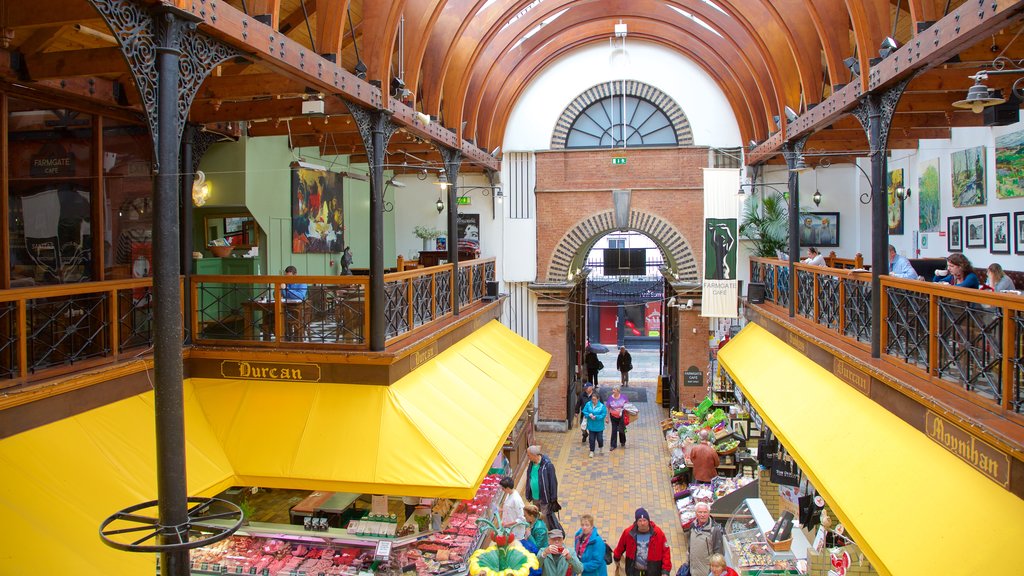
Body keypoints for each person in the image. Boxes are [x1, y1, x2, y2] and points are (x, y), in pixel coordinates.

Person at [613, 508, 672, 576]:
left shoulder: (658, 533)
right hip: (634, 571)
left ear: (648, 521)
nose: (642, 523)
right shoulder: (628, 533)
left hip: (653, 571)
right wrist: (616, 557)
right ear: (636, 522)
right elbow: (620, 546)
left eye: (644, 520)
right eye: (640, 521)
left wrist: (665, 571)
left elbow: (666, 552)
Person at [525, 445, 560, 530]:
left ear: (534, 455)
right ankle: (538, 531)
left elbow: (553, 482)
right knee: (536, 516)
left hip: (544, 498)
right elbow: (529, 478)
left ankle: (545, 535)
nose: (528, 457)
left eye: (529, 455)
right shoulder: (531, 464)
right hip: (534, 497)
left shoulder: (547, 466)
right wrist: (528, 493)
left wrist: (553, 498)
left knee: (544, 518)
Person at [687, 503, 724, 576]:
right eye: (700, 512)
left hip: (706, 572)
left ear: (709, 513)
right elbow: (689, 546)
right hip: (692, 570)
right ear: (696, 513)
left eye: (705, 512)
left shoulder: (715, 530)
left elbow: (719, 554)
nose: (702, 515)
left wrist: (714, 571)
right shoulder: (692, 526)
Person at [582, 393, 607, 458]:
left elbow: (603, 414)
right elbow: (584, 411)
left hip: (599, 426)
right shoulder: (588, 404)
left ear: (598, 399)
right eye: (592, 399)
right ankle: (591, 451)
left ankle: (601, 447)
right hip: (591, 425)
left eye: (595, 399)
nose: (593, 401)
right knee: (591, 439)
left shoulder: (601, 406)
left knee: (600, 439)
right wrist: (588, 415)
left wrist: (596, 417)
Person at [606, 385, 628, 452]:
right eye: (613, 390)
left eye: (614, 390)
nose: (613, 391)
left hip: (621, 416)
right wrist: (607, 417)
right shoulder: (610, 398)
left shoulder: (623, 397)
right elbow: (608, 407)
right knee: (614, 430)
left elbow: (627, 406)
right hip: (613, 416)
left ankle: (623, 441)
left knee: (622, 429)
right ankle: (613, 445)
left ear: (618, 391)